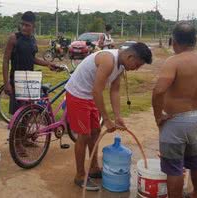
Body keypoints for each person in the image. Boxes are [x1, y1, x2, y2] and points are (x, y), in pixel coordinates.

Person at [65, 43, 152, 191]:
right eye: (137, 65)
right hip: (77, 94)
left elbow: (115, 90)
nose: (136, 68)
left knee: (96, 131)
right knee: (84, 135)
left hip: (89, 96)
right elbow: (97, 91)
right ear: (130, 57)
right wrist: (106, 118)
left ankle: (93, 168)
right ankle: (80, 176)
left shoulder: (121, 66)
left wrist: (117, 116)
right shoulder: (108, 60)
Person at [152, 22, 197, 198]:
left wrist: (158, 116)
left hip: (175, 121)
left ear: (174, 41)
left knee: (174, 167)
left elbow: (158, 91)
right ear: (195, 40)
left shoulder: (174, 62)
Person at [3, 11, 58, 114]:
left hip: (30, 81)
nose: (23, 27)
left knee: (28, 114)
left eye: (27, 25)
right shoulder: (14, 38)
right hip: (17, 81)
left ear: (33, 26)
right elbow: (5, 61)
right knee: (17, 116)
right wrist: (6, 83)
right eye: (22, 24)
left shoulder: (33, 40)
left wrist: (48, 64)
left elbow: (32, 59)